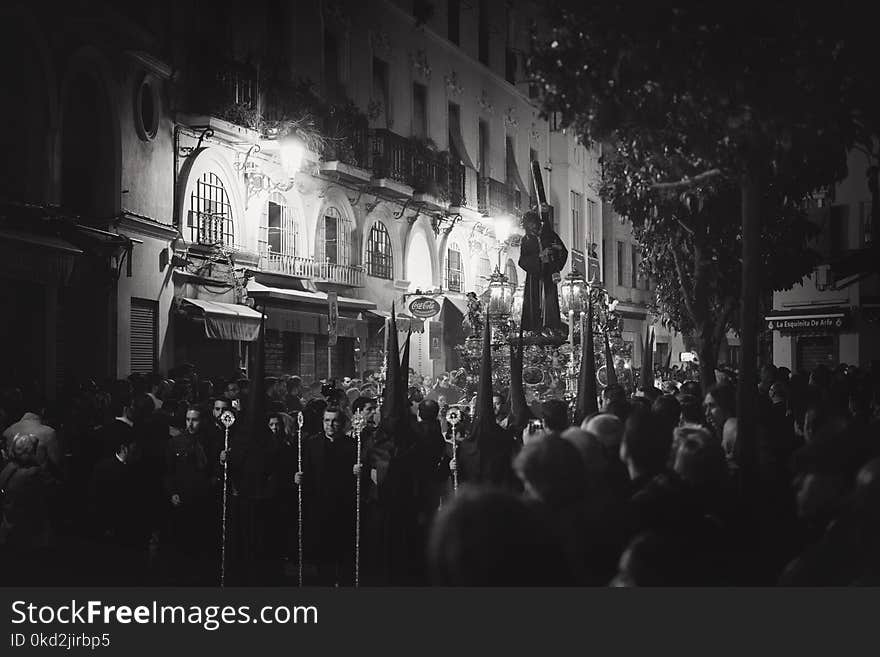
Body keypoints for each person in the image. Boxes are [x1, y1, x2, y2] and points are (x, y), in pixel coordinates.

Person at [296, 405, 361, 586]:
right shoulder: (312, 443)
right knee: (321, 549)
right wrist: (298, 478)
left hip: (343, 504)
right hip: (319, 503)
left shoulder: (352, 445)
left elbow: (357, 479)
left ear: (341, 423)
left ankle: (343, 581)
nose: (330, 425)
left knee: (342, 548)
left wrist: (358, 472)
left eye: (334, 421)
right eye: (326, 420)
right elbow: (306, 471)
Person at [518, 209, 568, 334]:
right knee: (534, 302)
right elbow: (522, 261)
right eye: (529, 225)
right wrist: (539, 255)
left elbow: (563, 251)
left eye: (533, 224)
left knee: (550, 300)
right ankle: (535, 328)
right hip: (535, 276)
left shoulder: (549, 236)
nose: (532, 227)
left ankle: (550, 326)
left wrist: (557, 250)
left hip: (548, 273)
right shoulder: (526, 240)